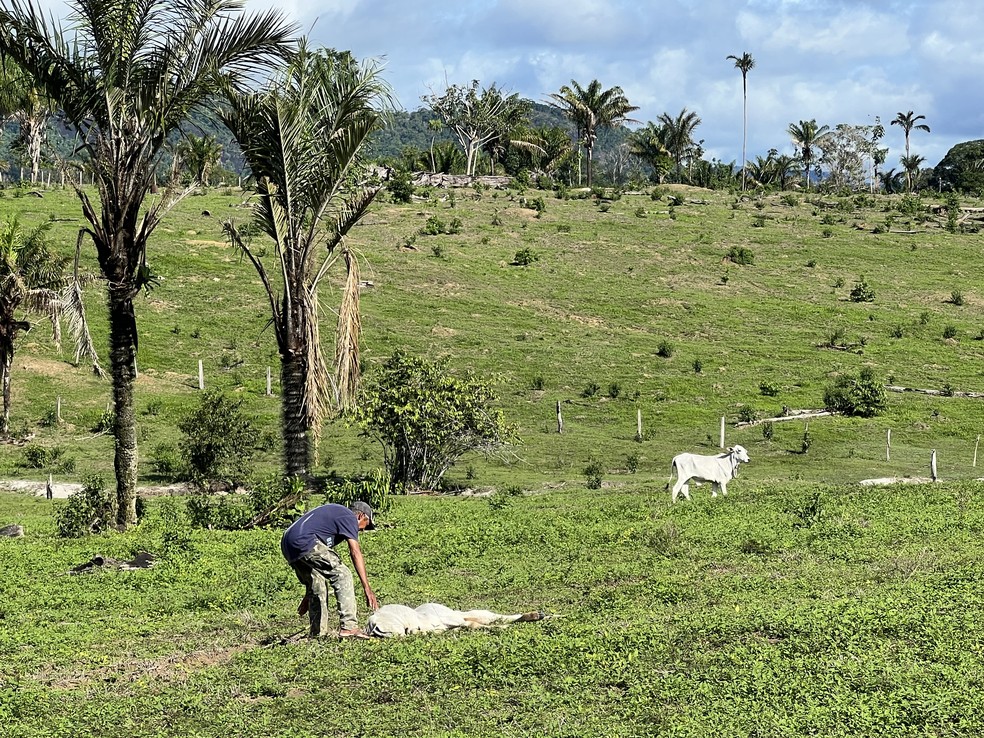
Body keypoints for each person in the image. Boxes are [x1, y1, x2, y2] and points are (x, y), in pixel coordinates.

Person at [281, 501, 379, 638]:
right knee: (342, 574)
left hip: (288, 543)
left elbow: (317, 561)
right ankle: (349, 626)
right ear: (360, 516)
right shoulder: (349, 517)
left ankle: (317, 634)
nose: (362, 530)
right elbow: (355, 552)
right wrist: (367, 589)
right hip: (305, 540)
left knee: (317, 585)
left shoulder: (333, 520)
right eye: (365, 525)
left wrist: (308, 595)